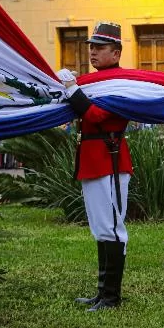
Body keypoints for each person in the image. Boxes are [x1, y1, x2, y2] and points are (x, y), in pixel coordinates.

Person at [58, 21, 133, 312]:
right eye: (91, 47)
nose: (93, 52)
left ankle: (111, 297)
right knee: (101, 227)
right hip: (94, 157)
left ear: (116, 53)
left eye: (100, 48)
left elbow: (99, 115)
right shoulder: (97, 81)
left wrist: (72, 89)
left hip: (109, 157)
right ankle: (103, 293)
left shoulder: (120, 82)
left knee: (112, 228)